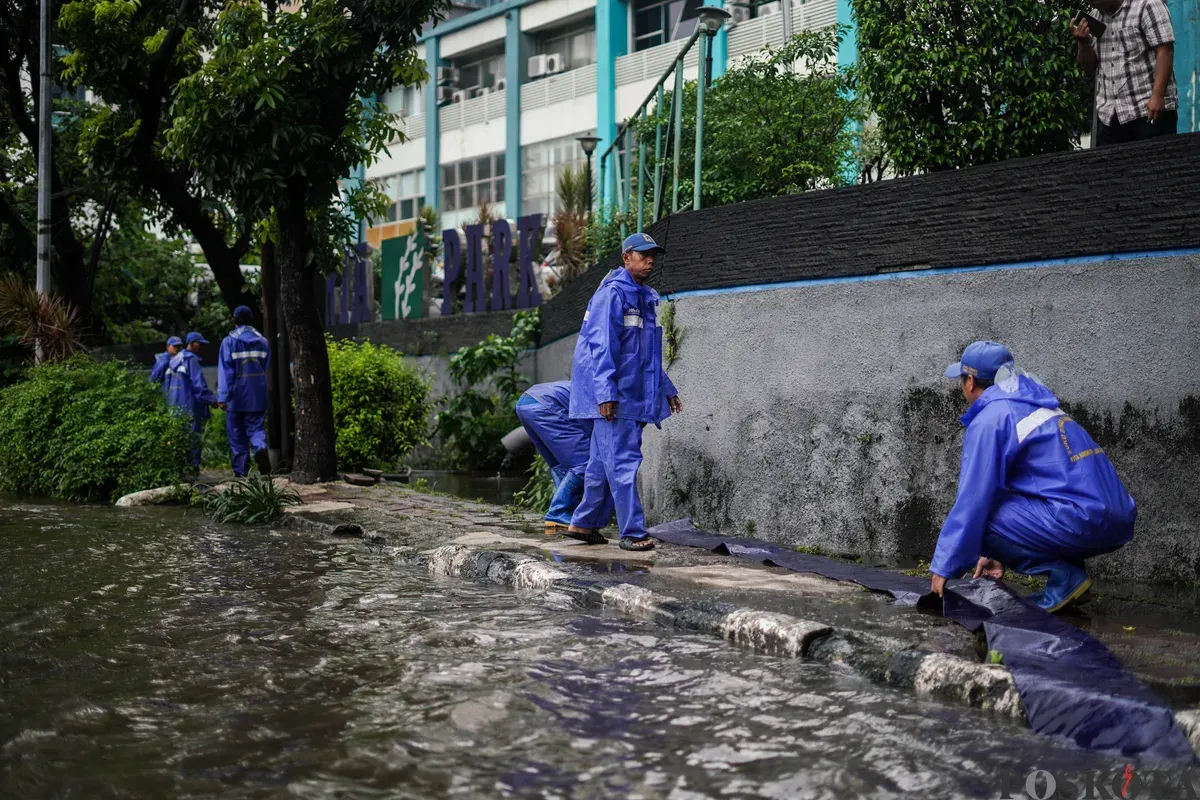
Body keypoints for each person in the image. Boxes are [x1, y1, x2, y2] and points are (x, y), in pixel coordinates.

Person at [929, 341, 1137, 612]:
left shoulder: (992, 417)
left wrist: (944, 567)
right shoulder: (1041, 405)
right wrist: (996, 552)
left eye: (961, 380)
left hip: (1077, 518)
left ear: (969, 382)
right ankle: (1075, 584)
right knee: (1015, 498)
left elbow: (973, 501)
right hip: (1113, 518)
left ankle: (1066, 579)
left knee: (984, 514)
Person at [566, 233, 683, 552]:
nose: (650, 260)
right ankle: (632, 532)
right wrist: (605, 393)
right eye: (643, 255)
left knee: (601, 465)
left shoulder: (642, 297)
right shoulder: (613, 295)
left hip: (628, 393)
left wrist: (665, 388)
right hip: (615, 397)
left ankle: (584, 523)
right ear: (626, 257)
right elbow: (602, 345)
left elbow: (645, 354)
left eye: (652, 255)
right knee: (623, 462)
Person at [1071, 0, 1177, 146]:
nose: (1093, 5)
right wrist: (1083, 43)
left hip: (1147, 111)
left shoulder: (1148, 5)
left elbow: (1165, 50)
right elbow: (1088, 67)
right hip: (1109, 116)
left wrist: (1158, 96)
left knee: (1154, 166)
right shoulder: (1096, 17)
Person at [516, 381, 606, 533]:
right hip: (545, 403)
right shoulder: (610, 402)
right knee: (586, 462)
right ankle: (558, 513)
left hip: (526, 402)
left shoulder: (599, 387)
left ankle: (564, 518)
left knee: (560, 466)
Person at [218, 305, 272, 478]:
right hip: (258, 394)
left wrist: (223, 397)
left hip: (236, 396)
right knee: (256, 428)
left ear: (235, 320)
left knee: (237, 434)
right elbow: (266, 367)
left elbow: (226, 372)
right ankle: (260, 447)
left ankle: (241, 474)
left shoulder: (229, 341)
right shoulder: (263, 341)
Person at [165, 332, 218, 470]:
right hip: (190, 407)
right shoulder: (191, 360)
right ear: (193, 343)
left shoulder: (174, 360)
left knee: (178, 438)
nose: (200, 346)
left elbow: (167, 385)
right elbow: (198, 386)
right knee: (193, 439)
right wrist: (213, 400)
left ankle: (178, 470)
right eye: (199, 343)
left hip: (174, 407)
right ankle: (193, 471)